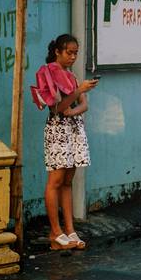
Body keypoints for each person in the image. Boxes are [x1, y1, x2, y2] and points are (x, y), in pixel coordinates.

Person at [31, 34, 99, 251]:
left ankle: (70, 230)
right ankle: (55, 232)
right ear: (57, 51)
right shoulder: (48, 72)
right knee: (56, 179)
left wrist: (72, 109)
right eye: (69, 52)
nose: (73, 57)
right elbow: (57, 108)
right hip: (58, 130)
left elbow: (83, 106)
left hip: (73, 129)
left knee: (69, 179)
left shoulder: (70, 75)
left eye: (76, 53)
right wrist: (77, 94)